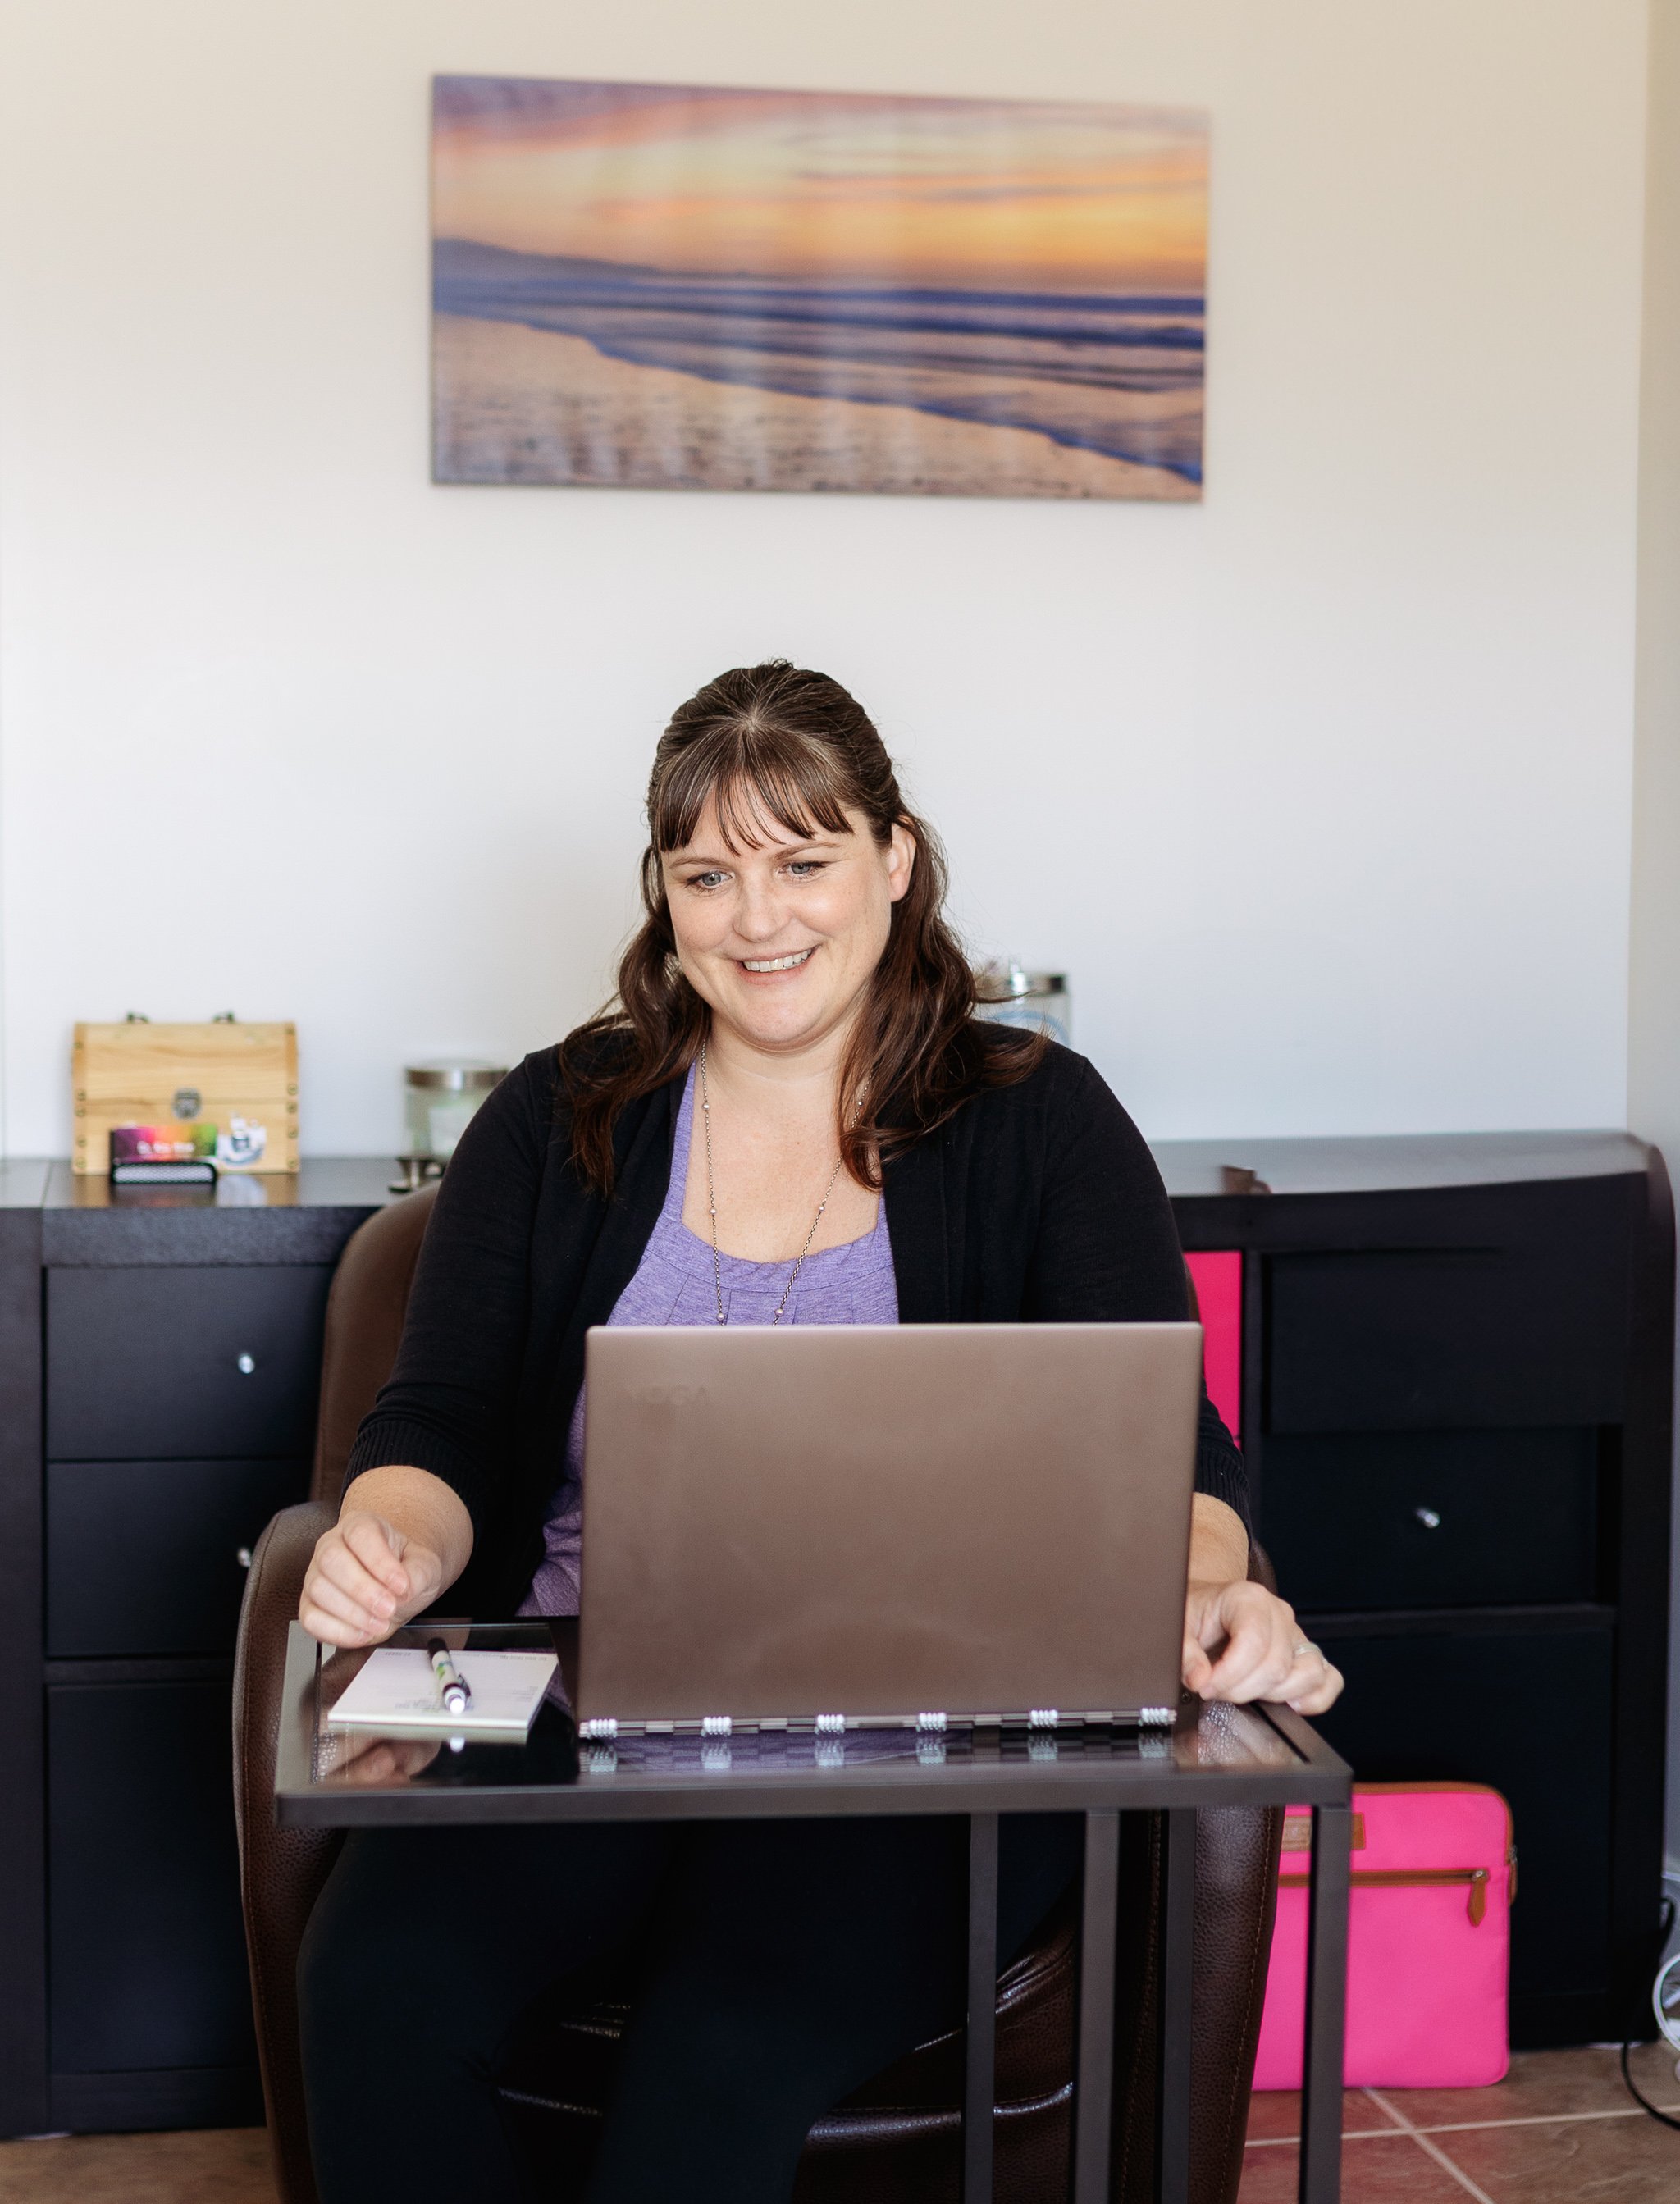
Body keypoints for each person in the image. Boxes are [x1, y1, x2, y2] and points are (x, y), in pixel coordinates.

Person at [296, 660, 1343, 2203]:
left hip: (931, 1738)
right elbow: (436, 1428)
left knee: (717, 2056)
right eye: (709, 874)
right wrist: (387, 1538)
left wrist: (1204, 1589)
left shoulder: (1040, 1119)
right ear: (662, 893)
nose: (759, 918)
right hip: (560, 1705)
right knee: (373, 1996)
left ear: (895, 860)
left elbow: (1172, 1456)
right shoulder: (551, 1118)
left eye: (805, 860)